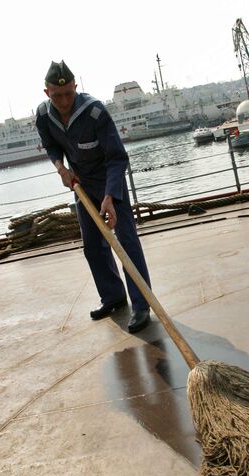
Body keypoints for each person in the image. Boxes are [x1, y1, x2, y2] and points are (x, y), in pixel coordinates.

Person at [36, 60, 151, 333]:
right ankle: (113, 296)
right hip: (80, 183)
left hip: (109, 181)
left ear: (76, 87)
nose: (63, 101)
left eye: (68, 94)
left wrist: (111, 196)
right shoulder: (43, 115)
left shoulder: (95, 112)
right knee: (92, 246)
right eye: (57, 95)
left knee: (126, 243)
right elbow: (51, 146)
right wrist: (61, 168)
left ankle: (142, 305)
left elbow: (117, 157)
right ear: (46, 93)